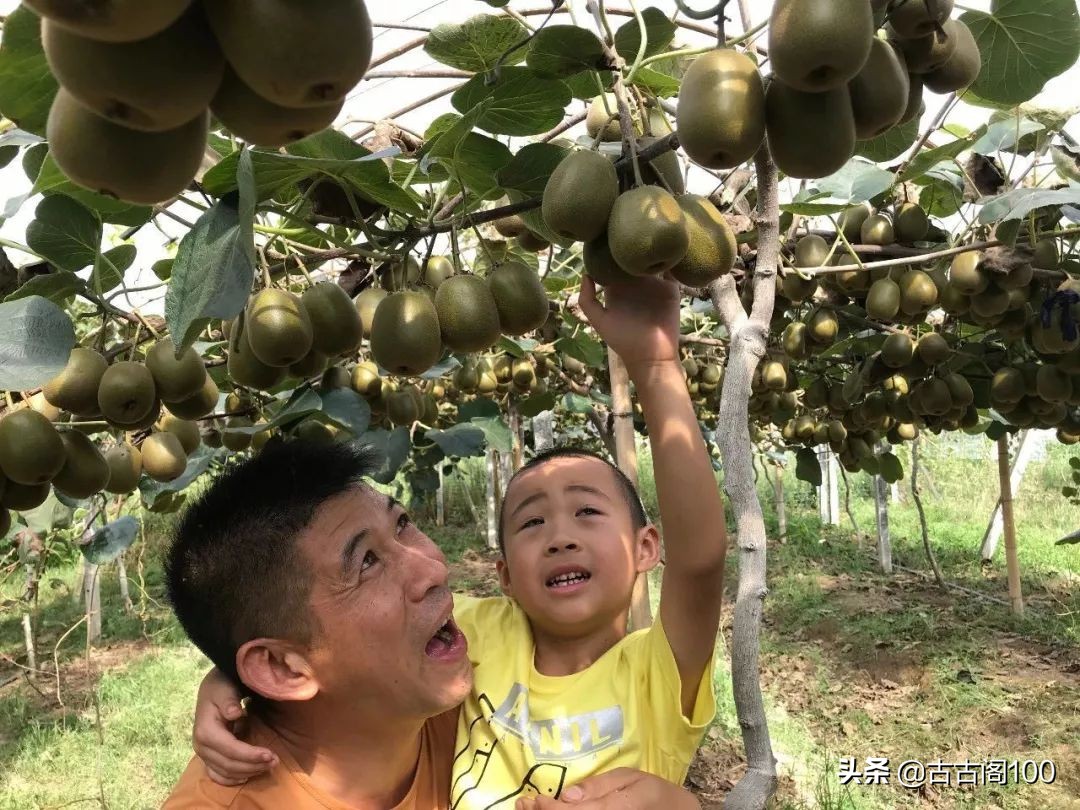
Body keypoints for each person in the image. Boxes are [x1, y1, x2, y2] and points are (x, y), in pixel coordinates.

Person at [190, 275, 729, 807]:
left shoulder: (658, 671)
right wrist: (235, 681)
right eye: (531, 523)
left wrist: (657, 368)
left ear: (647, 548)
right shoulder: (481, 633)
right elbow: (326, 643)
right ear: (505, 576)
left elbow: (700, 561)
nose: (560, 537)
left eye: (588, 511)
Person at [162, 437, 702, 809]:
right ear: (281, 666)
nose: (433, 567)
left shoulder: (461, 699)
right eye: (367, 562)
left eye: (404, 525)